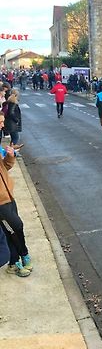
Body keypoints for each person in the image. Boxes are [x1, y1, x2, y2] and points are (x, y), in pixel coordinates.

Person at [0, 113, 32, 277]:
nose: (2, 126)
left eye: (2, 122)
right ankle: (22, 256)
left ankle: (15, 262)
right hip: (0, 202)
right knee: (14, 229)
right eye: (0, 122)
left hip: (8, 196)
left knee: (11, 231)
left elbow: (4, 168)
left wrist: (10, 157)